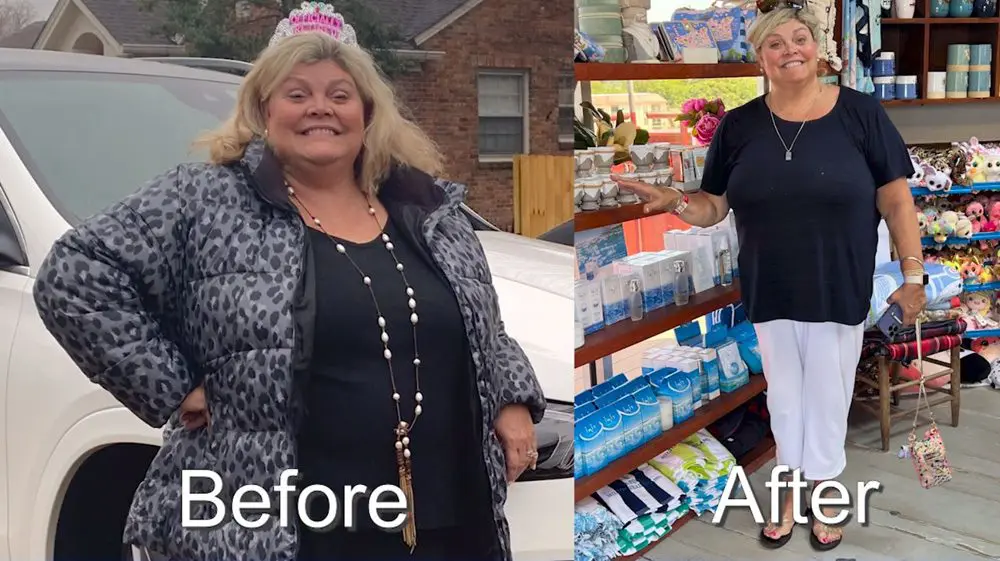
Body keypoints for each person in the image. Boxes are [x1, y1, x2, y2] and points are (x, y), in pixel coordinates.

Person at [31, 3, 545, 561]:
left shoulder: (425, 209)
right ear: (263, 110)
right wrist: (170, 383)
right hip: (290, 526)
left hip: (446, 518)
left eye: (339, 95)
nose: (319, 108)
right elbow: (74, 275)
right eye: (296, 94)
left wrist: (511, 399)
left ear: (367, 113)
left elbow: (483, 326)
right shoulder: (205, 200)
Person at [611, 2, 925, 553]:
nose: (789, 51)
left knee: (827, 397)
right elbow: (713, 207)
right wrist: (674, 202)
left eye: (799, 38)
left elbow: (897, 200)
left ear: (817, 47)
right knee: (784, 398)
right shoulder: (739, 125)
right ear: (759, 57)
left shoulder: (860, 114)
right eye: (774, 44)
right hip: (770, 287)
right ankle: (787, 491)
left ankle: (824, 494)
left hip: (837, 286)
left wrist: (913, 274)